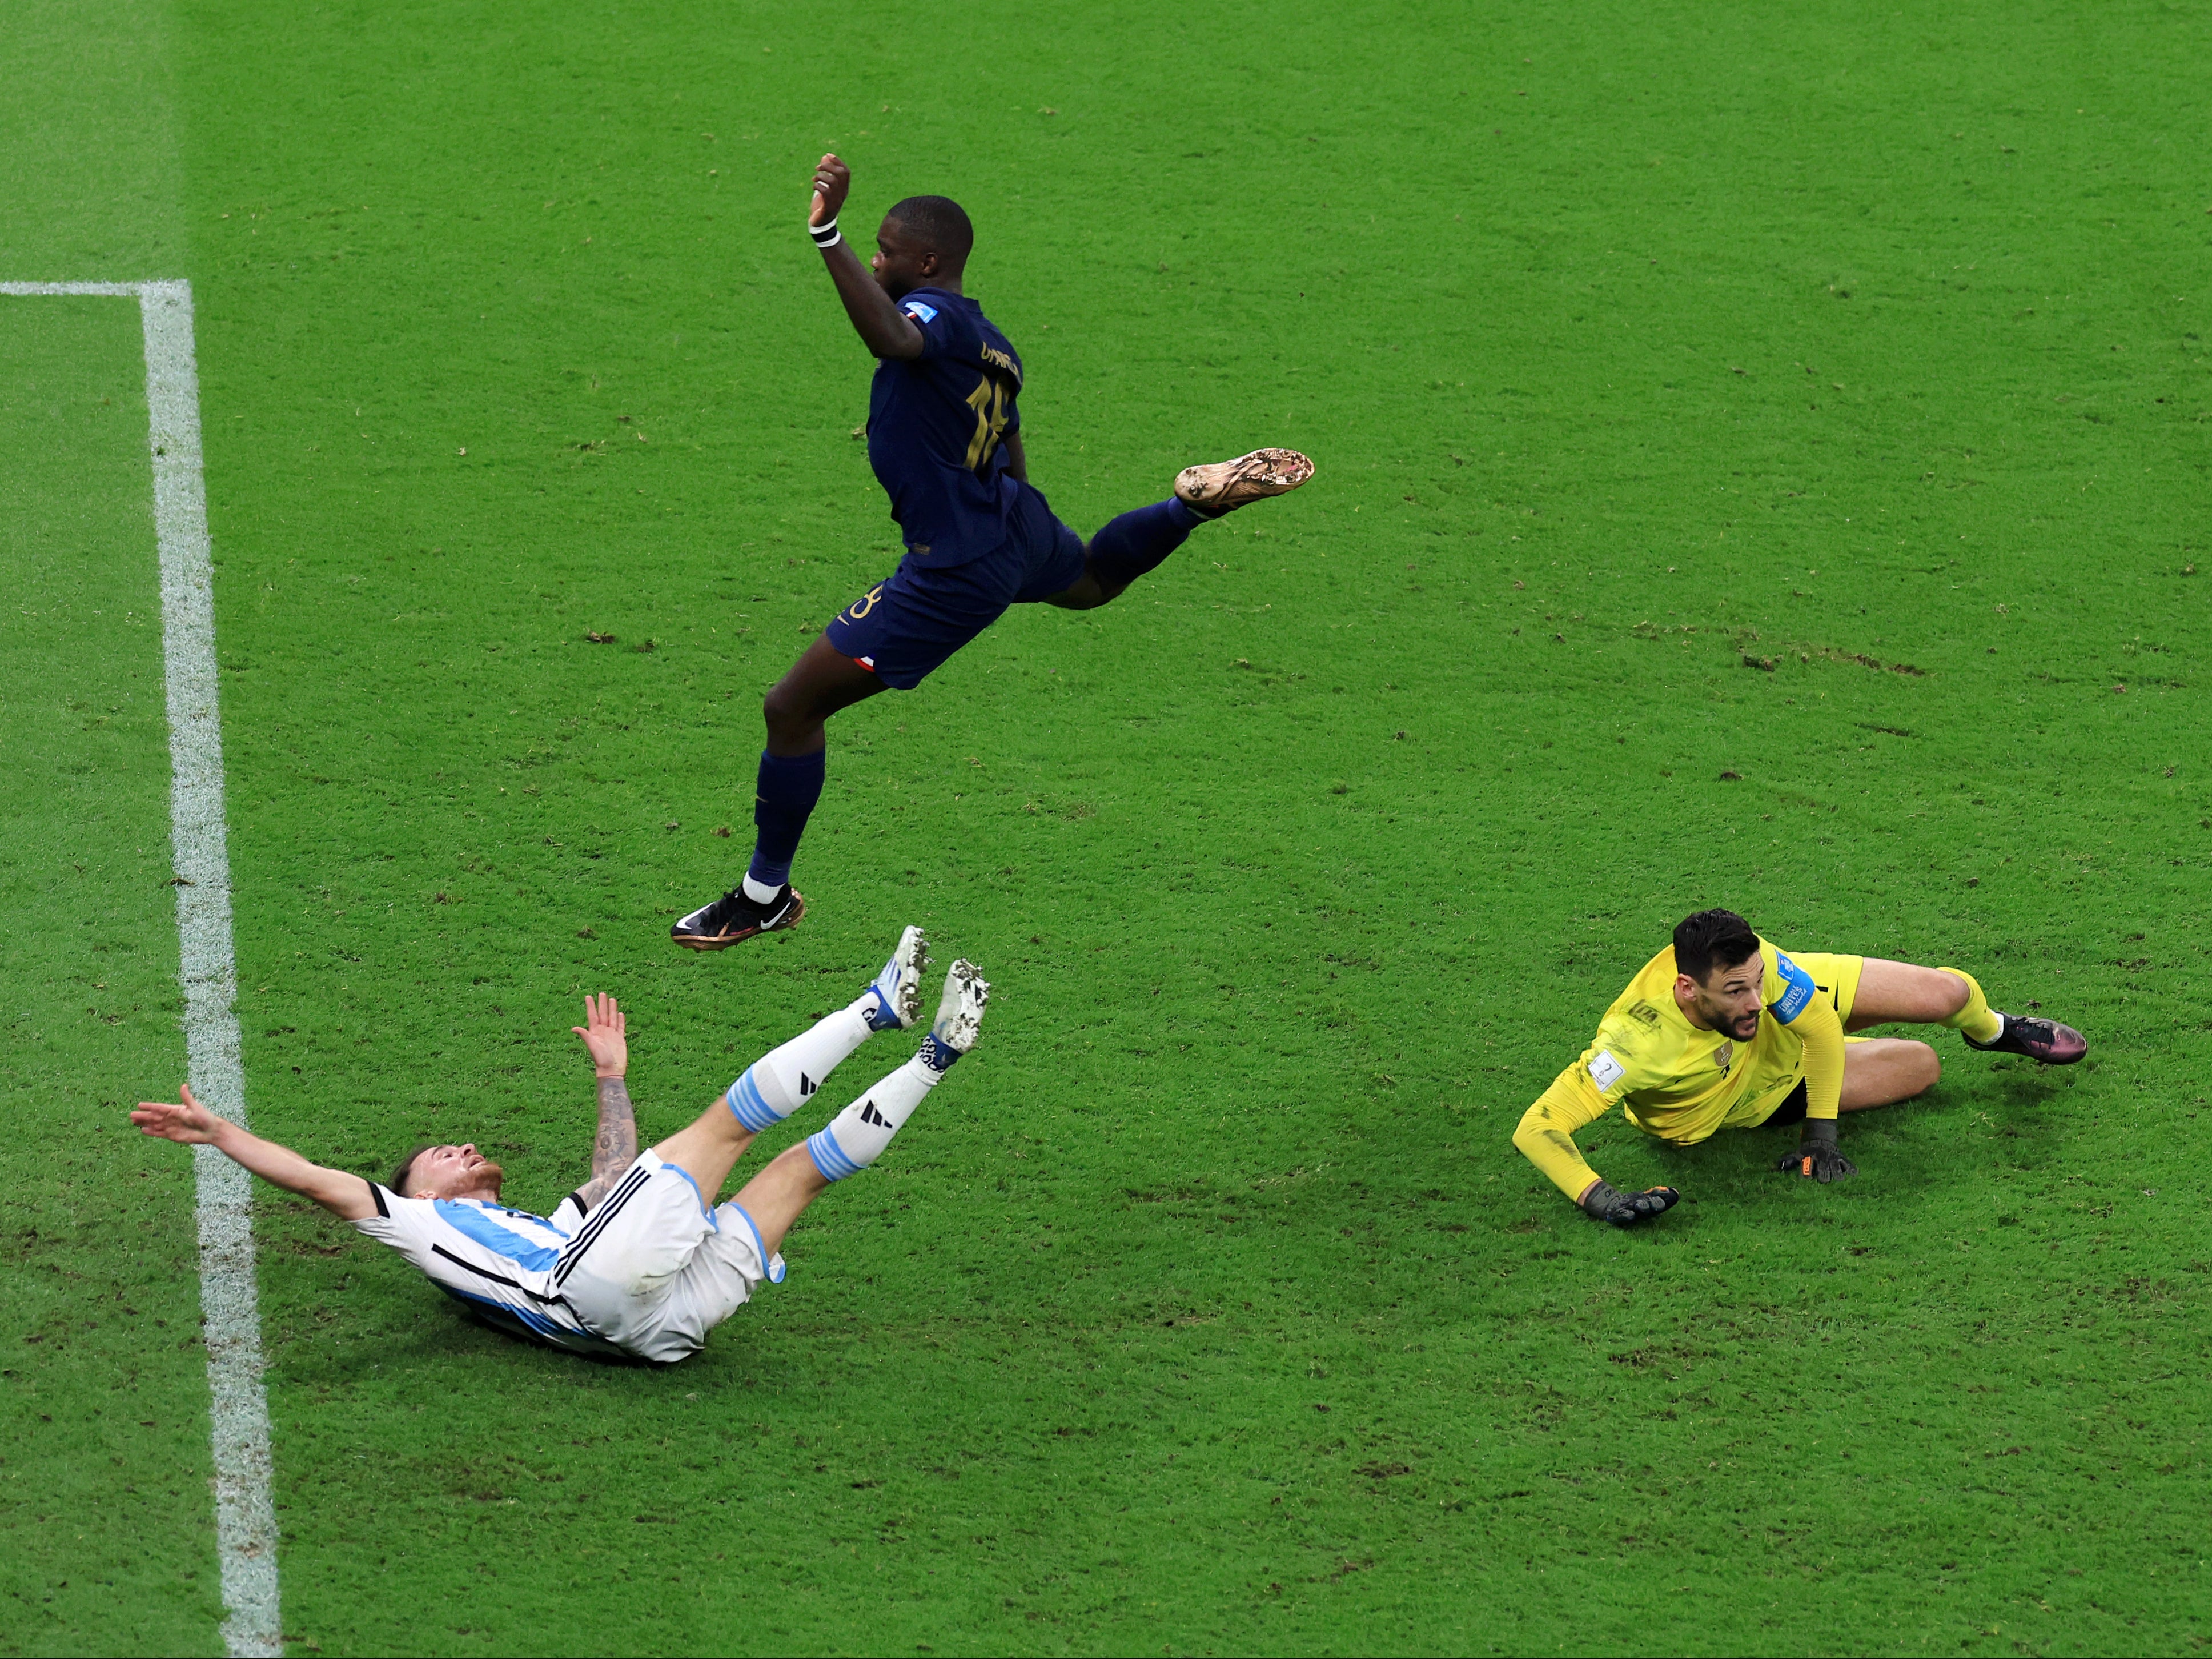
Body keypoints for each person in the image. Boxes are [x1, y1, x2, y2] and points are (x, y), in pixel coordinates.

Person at [671, 155, 1314, 949]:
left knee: (791, 707)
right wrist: (1011, 527)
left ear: (927, 263)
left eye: (885, 250)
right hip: (1008, 524)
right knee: (1088, 580)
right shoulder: (996, 347)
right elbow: (1004, 437)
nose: (877, 262)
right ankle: (1184, 507)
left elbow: (892, 336)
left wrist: (826, 235)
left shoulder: (933, 318)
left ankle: (762, 895)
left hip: (954, 566)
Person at [131, 929, 989, 1362]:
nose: (460, 1146)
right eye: (441, 1153)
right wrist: (220, 1133)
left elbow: (614, 1182)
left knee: (796, 1176)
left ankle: (935, 1054)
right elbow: (322, 1183)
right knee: (724, 1125)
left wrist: (610, 1078)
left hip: (648, 1334)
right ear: (418, 1193)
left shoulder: (533, 1228)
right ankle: (873, 1009)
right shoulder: (420, 1227)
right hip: (590, 1293)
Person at [1512, 907, 2087, 1227]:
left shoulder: (1757, 977)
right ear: (1687, 990)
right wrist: (1601, 1198)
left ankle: (1997, 1032)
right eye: (1737, 991)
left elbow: (1814, 1025)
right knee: (1923, 1066)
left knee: (1944, 995)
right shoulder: (1633, 1045)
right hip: (1755, 1097)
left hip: (1788, 1047)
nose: (1756, 1003)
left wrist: (1823, 1134)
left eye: (1757, 982)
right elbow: (1537, 1128)